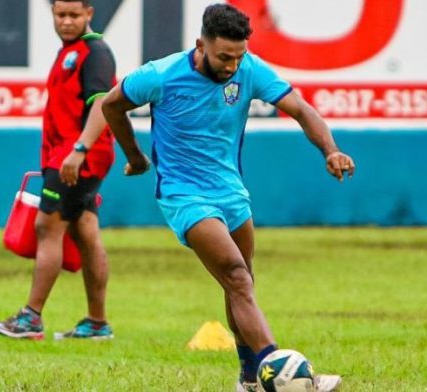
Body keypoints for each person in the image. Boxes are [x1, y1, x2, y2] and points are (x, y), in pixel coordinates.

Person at [101, 4, 354, 392]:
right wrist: (134, 156)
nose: (233, 66)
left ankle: (250, 378)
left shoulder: (248, 68)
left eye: (238, 56)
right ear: (200, 44)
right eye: (224, 57)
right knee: (236, 276)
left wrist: (330, 150)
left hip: (232, 193)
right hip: (184, 195)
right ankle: (282, 372)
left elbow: (301, 109)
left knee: (241, 284)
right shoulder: (161, 74)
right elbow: (111, 105)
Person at [0, 0, 116, 340]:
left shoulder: (96, 52)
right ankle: (97, 323)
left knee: (47, 226)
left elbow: (102, 105)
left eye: (74, 15)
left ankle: (31, 317)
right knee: (86, 231)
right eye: (60, 15)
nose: (66, 21)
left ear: (89, 13)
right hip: (67, 155)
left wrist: (78, 151)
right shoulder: (69, 52)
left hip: (75, 158)